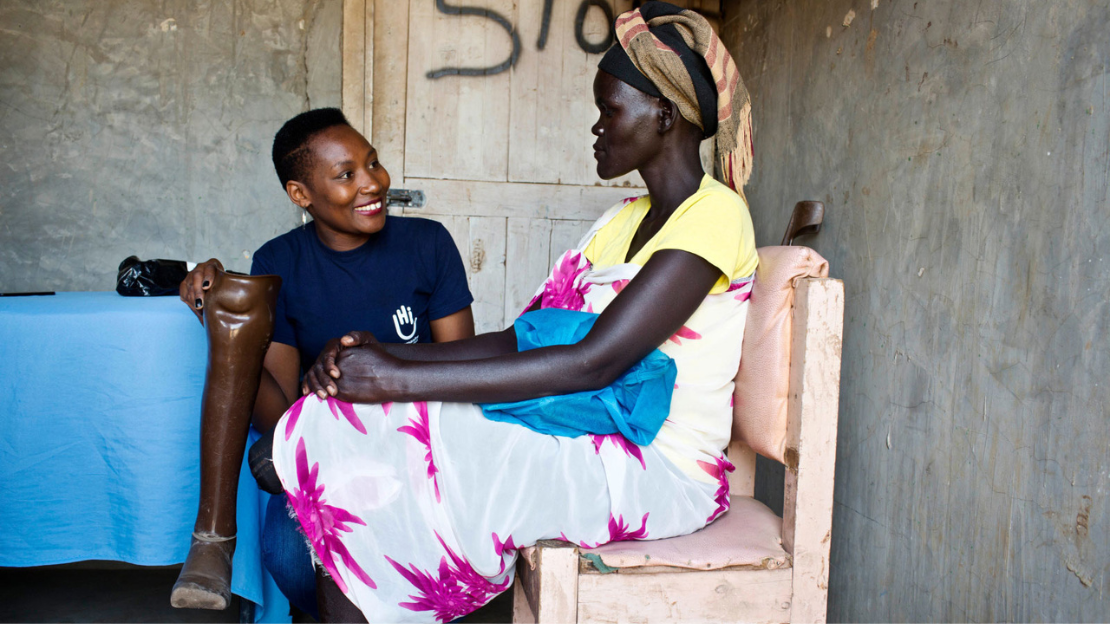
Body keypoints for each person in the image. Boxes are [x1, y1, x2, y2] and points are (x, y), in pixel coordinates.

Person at [266, 3, 757, 621]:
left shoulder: (713, 215)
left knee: (412, 436)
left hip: (657, 466)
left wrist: (396, 380)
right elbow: (519, 340)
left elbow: (593, 363)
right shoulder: (622, 221)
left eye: (609, 109)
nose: (596, 128)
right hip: (587, 430)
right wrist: (384, 356)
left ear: (664, 113)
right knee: (363, 428)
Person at [173, 108, 475, 616]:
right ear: (300, 194)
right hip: (326, 446)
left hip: (418, 444)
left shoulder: (428, 244)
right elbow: (280, 414)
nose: (372, 182)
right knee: (288, 555)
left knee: (414, 546)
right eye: (346, 175)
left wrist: (372, 366)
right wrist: (224, 315)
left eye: (372, 163)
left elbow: (460, 373)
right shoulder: (279, 261)